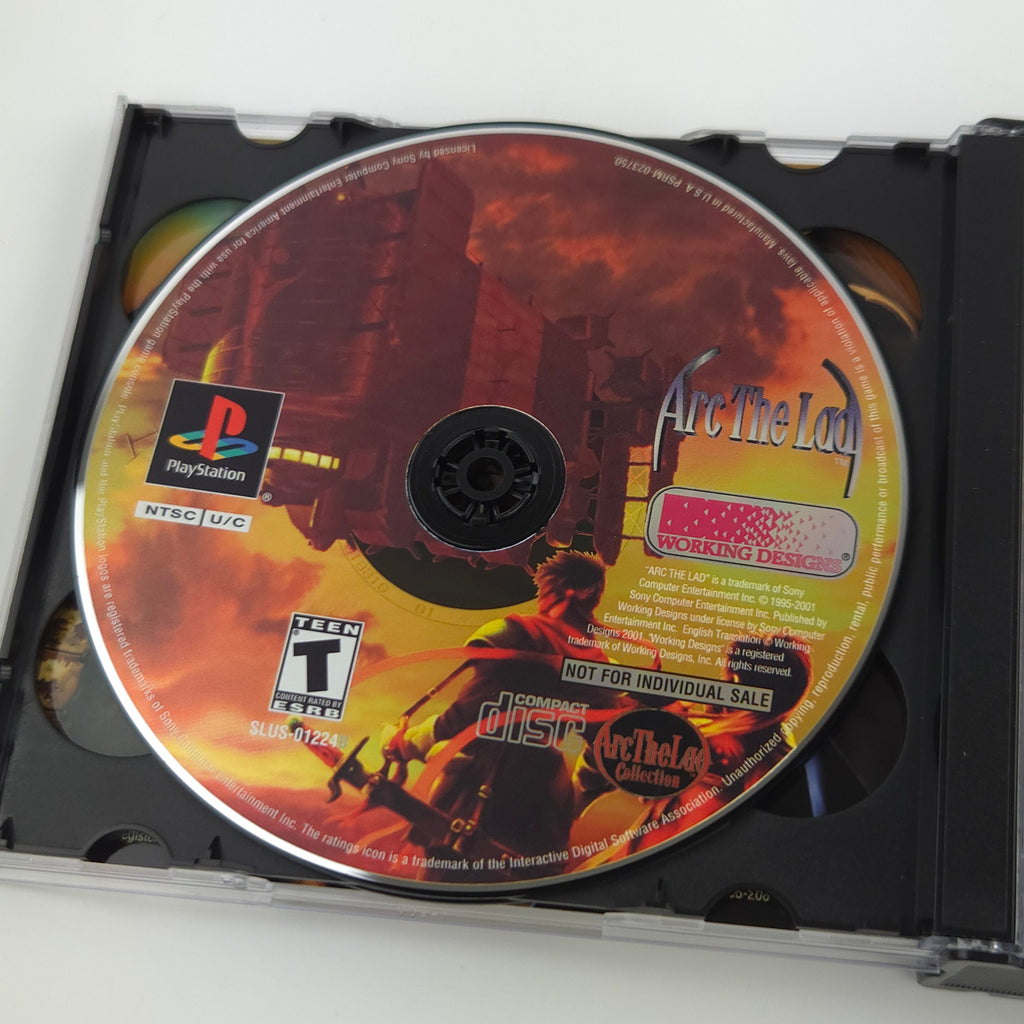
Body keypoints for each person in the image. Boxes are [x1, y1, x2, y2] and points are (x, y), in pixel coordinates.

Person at [381, 551, 624, 877]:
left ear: (560, 591)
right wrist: (575, 796)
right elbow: (605, 748)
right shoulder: (599, 665)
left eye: (546, 590)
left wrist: (406, 743)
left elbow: (464, 715)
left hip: (480, 793)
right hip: (545, 807)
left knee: (442, 887)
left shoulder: (511, 635)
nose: (542, 599)